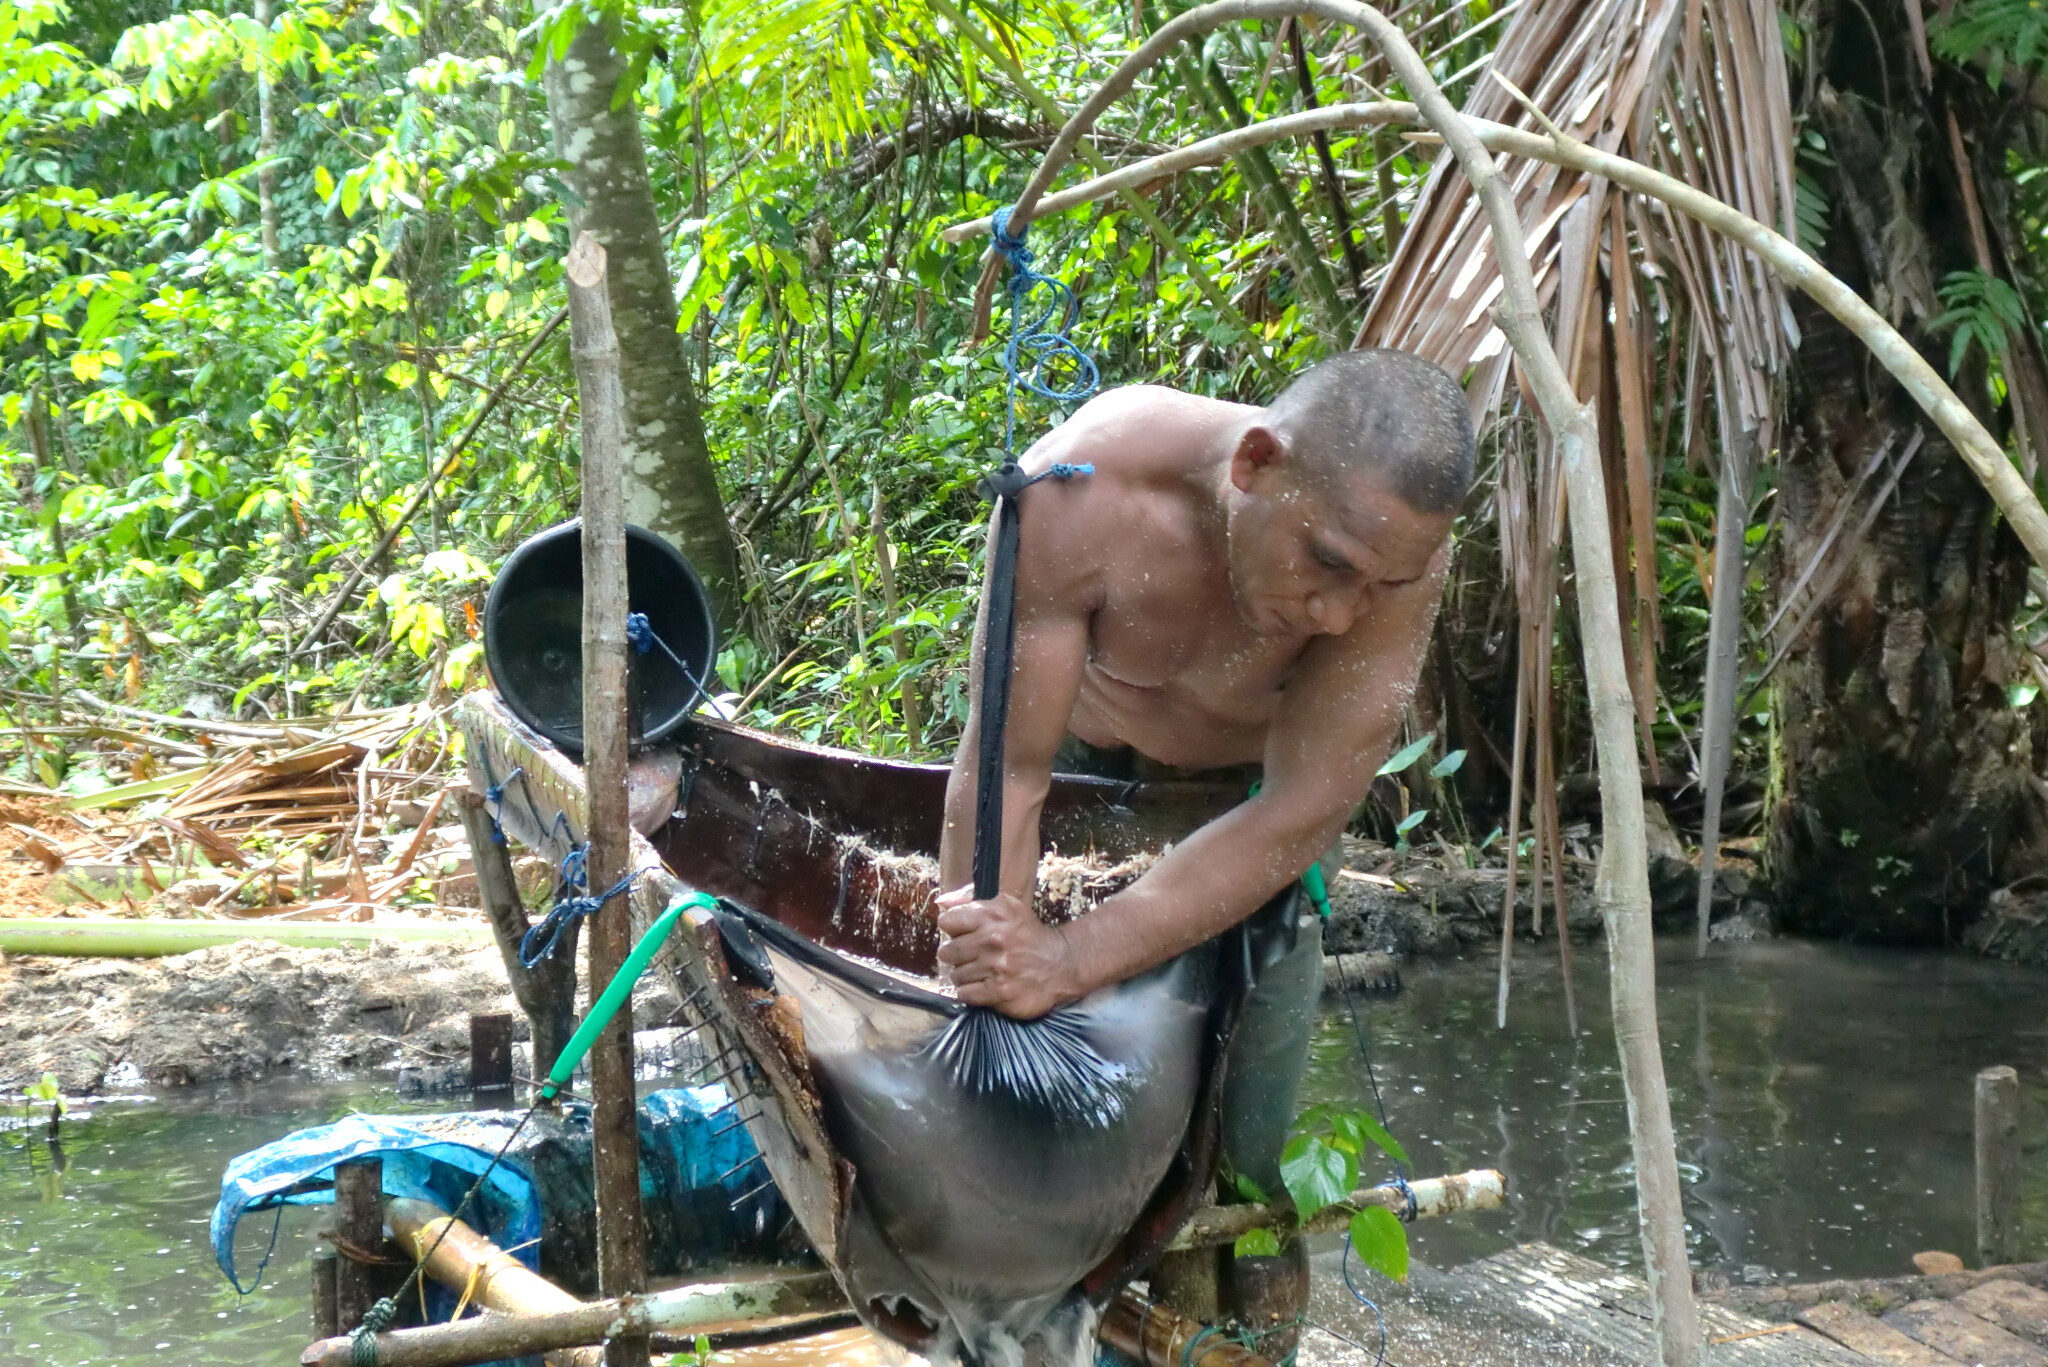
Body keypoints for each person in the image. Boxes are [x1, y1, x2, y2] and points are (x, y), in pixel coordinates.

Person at [931, 347, 1476, 1333]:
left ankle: (1253, 1331)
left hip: (1252, 808)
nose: (1338, 615)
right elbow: (1008, 767)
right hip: (1086, 778)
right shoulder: (1078, 489)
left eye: (1377, 585)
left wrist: (1070, 956)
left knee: (1247, 1156)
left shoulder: (1392, 551)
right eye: (1327, 564)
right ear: (1254, 463)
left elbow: (1299, 810)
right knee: (1022, 1099)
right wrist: (993, 962)